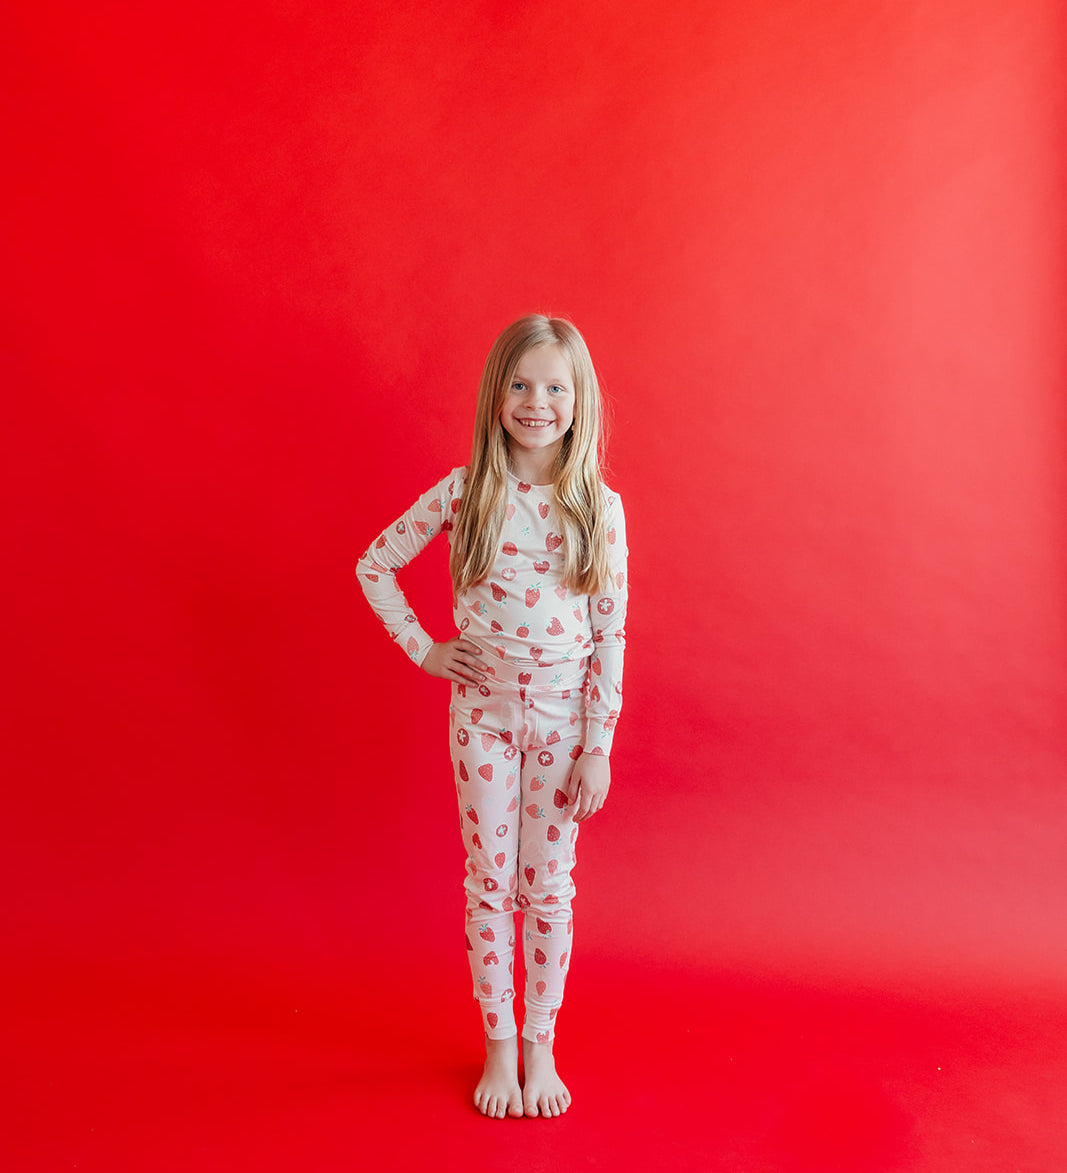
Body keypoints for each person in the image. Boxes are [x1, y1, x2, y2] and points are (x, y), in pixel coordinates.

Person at [356, 314, 627, 1119]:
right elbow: (375, 563)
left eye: (554, 387)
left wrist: (597, 746)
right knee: (489, 882)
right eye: (519, 384)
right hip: (481, 720)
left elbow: (609, 632)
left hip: (561, 728)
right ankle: (499, 1044)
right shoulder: (466, 491)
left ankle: (541, 1042)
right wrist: (423, 649)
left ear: (578, 402)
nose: (536, 402)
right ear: (495, 396)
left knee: (548, 889)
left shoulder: (598, 508)